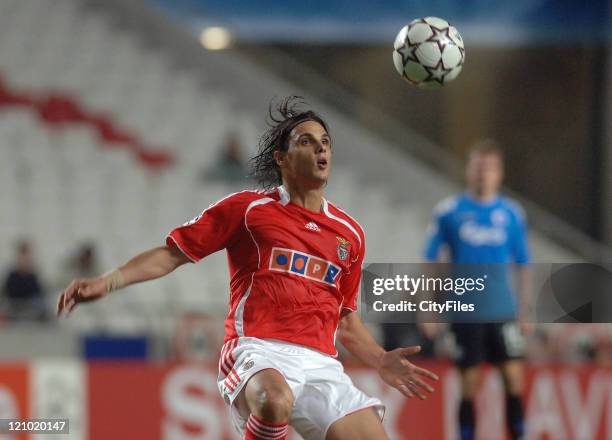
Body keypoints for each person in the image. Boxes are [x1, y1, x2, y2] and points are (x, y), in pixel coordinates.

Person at [57, 97, 438, 440]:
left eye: (325, 142)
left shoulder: (349, 234)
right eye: (306, 141)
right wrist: (108, 282)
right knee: (274, 401)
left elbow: (346, 321)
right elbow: (171, 254)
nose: (321, 148)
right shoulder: (249, 210)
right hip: (257, 350)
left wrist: (380, 358)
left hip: (322, 364)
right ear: (281, 158)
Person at [422, 140, 531, 440]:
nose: (484, 174)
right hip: (465, 312)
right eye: (478, 167)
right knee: (469, 384)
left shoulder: (512, 214)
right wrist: (427, 306)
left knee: (514, 379)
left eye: (490, 168)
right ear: (469, 170)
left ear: (500, 173)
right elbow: (429, 259)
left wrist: (526, 308)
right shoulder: (449, 211)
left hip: (503, 311)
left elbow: (523, 263)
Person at [2, 240, 47, 321]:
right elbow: (6, 293)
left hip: (30, 305)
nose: (24, 260)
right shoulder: (12, 275)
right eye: (22, 257)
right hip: (14, 305)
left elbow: (39, 293)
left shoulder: (32, 276)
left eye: (26, 257)